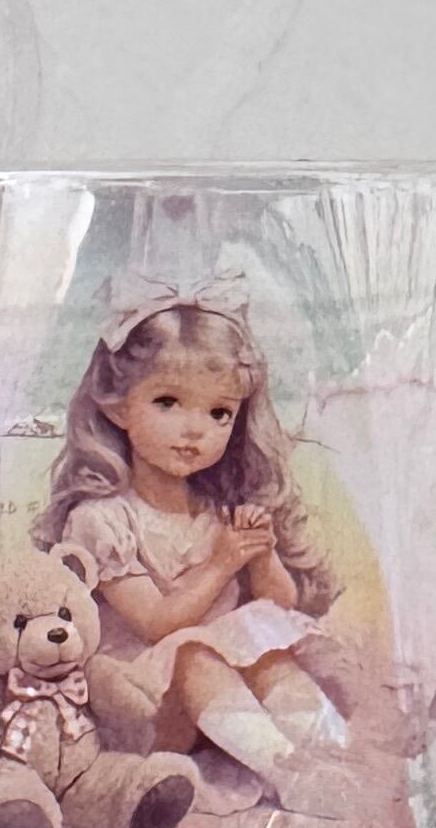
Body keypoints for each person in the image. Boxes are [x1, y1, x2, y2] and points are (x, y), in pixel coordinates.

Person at [37, 278, 341, 793]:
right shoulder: (102, 521)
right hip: (138, 708)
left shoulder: (217, 510)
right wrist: (221, 564)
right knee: (193, 656)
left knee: (267, 648)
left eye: (219, 412)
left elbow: (279, 607)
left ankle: (334, 753)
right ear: (117, 406)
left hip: (222, 709)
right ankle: (290, 774)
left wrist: (261, 557)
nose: (195, 428)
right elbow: (158, 624)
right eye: (168, 402)